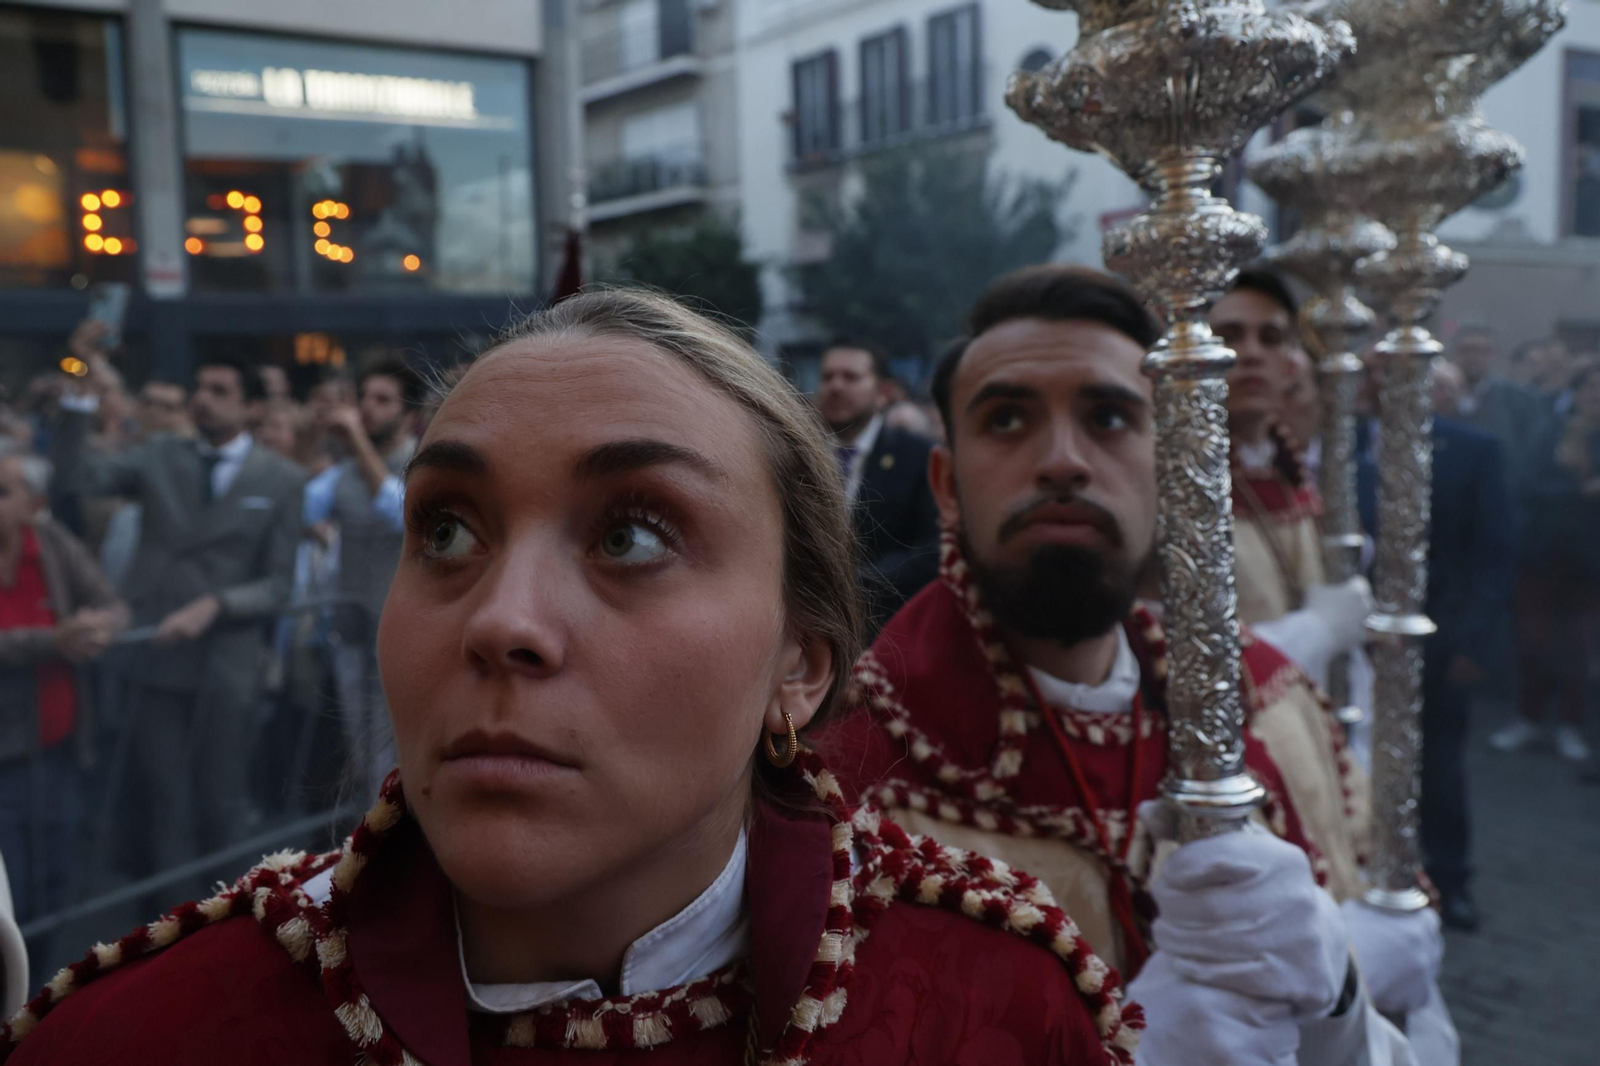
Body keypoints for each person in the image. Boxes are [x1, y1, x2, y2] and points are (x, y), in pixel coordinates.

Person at [4, 290, 1140, 1066]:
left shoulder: (998, 1004)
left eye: (633, 537)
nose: (501, 621)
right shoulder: (143, 1035)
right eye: (446, 532)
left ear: (797, 668)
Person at [825, 265, 1450, 1066]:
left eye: (1110, 417)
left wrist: (1342, 1003)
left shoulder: (1275, 706)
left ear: (1173, 469)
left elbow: (1419, 1026)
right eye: (1008, 419)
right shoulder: (843, 778)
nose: (1062, 461)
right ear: (946, 486)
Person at [50, 351, 304, 900]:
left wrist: (218, 603)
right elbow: (76, 477)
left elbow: (280, 585)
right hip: (158, 659)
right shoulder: (160, 454)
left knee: (220, 801)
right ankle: (173, 933)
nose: (202, 398)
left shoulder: (281, 478)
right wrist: (77, 401)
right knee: (164, 800)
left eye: (219, 389)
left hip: (226, 664)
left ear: (251, 406)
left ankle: (234, 924)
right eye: (200, 387)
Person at [1356, 362, 1517, 931]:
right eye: (1372, 376)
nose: (1376, 385)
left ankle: (1450, 878)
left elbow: (1492, 553)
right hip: (1354, 637)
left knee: (1439, 765)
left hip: (1439, 639)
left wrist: (1473, 639)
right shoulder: (1341, 442)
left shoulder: (1473, 450)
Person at [1210, 270, 1372, 689]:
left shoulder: (1290, 470)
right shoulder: (1169, 483)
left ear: (1290, 362)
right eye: (1228, 335)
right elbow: (1188, 662)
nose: (1250, 354)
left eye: (1271, 338)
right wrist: (1317, 631)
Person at [0, 449, 127, 926]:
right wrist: (52, 641)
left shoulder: (50, 541)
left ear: (33, 504)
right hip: (6, 760)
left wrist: (97, 626)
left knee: (53, 883)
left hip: (58, 752)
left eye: (1, 492)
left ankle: (40, 996)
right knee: (9, 899)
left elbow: (112, 604)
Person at [321, 357, 423, 796]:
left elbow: (396, 511)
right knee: (359, 745)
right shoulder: (343, 470)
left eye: (382, 400)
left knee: (390, 746)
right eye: (365, 397)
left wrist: (356, 439)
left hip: (396, 627)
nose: (366, 407)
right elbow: (305, 506)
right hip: (349, 623)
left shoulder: (417, 464)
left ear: (408, 416)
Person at [1490, 362, 1600, 766]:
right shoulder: (1549, 431)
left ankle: (1570, 724)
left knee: (1579, 646)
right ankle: (1528, 717)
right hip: (1543, 553)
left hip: (1590, 560)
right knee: (1532, 641)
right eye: (1591, 389)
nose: (1596, 397)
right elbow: (1525, 482)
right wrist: (1579, 491)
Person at [815, 341, 940, 624]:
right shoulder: (797, 454)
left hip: (888, 626)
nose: (836, 386)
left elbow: (932, 548)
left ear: (883, 393)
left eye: (850, 377)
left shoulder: (917, 456)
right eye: (827, 377)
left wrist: (858, 584)